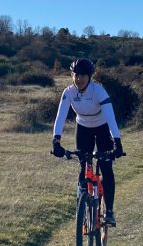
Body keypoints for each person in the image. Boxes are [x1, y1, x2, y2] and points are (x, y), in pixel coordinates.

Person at [50, 58, 125, 225]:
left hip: (102, 127)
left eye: (83, 75)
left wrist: (117, 142)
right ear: (72, 75)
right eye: (76, 75)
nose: (79, 79)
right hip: (83, 128)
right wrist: (56, 140)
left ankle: (109, 211)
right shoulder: (69, 92)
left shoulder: (98, 91)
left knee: (106, 166)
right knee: (83, 164)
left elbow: (110, 117)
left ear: (90, 76)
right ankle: (82, 208)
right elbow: (60, 116)